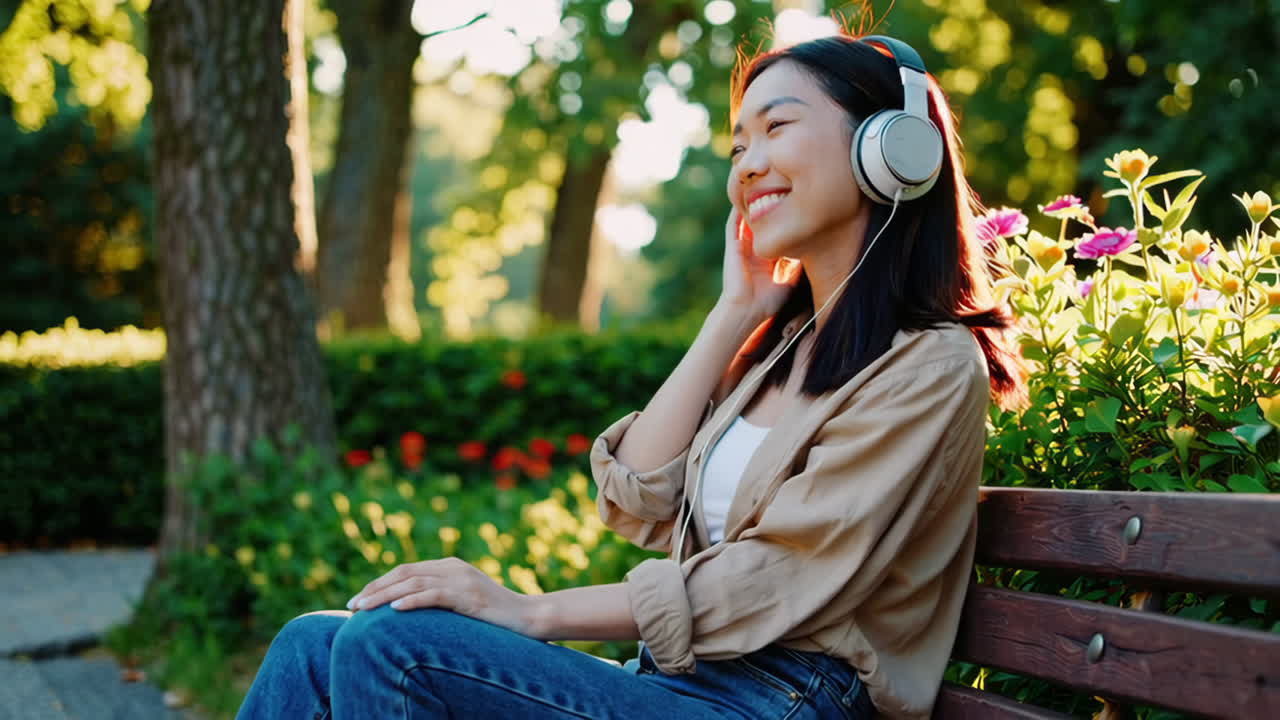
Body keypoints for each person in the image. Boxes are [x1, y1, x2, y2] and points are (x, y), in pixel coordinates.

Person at [234, 31, 1028, 720]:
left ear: (889, 150)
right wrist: (732, 316)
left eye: (776, 127)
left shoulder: (929, 364)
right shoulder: (783, 353)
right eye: (737, 147)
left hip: (783, 701)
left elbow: (774, 577)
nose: (748, 165)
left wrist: (530, 613)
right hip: (683, 685)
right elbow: (638, 493)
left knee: (393, 646)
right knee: (314, 643)